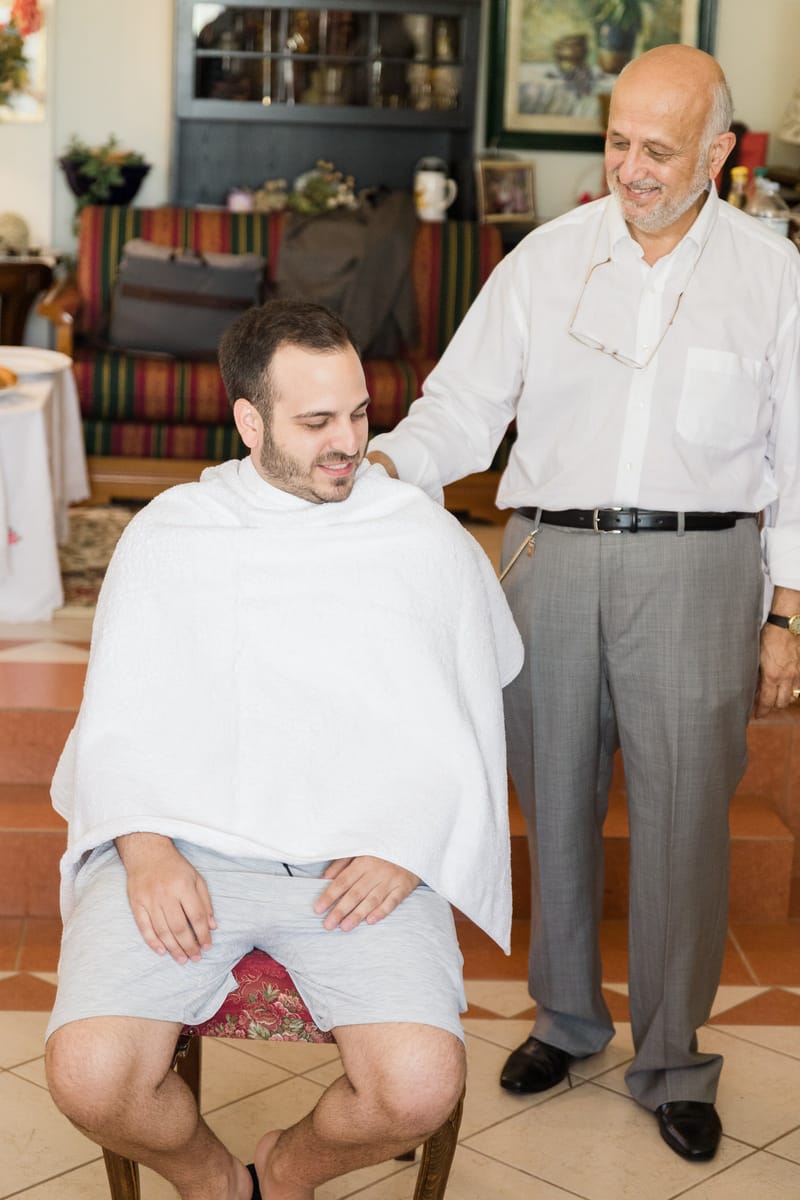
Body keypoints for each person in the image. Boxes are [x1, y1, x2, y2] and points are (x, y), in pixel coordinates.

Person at [368, 44, 800, 1163]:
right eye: (617, 141)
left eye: (659, 149)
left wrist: (786, 613)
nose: (631, 168)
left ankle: (672, 1061)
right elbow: (461, 408)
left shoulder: (772, 273)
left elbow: (799, 456)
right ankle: (563, 1020)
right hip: (547, 557)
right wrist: (382, 465)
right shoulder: (545, 258)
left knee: (683, 824)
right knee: (550, 800)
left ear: (718, 152)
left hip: (700, 569)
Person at [44, 299, 523, 1200]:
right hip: (184, 846)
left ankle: (285, 1171)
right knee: (89, 1076)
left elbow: (464, 718)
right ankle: (217, 1182)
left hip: (358, 864)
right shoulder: (174, 532)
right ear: (250, 421)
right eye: (317, 422)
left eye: (360, 415)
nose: (349, 444)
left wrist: (409, 842)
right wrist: (145, 852)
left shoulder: (419, 535)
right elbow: (115, 719)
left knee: (417, 1087)